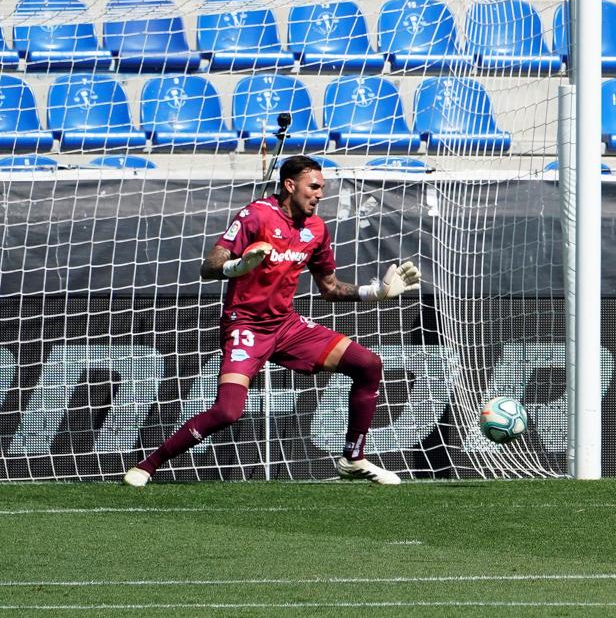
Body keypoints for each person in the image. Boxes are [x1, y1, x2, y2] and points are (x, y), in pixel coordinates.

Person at [123, 156, 421, 487]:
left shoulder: (316, 229)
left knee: (368, 364)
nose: (320, 194)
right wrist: (236, 268)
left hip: (286, 326)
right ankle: (149, 465)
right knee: (227, 412)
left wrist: (374, 292)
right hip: (246, 327)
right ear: (290, 186)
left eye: (322, 187)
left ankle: (353, 458)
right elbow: (209, 266)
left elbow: (330, 288)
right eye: (314, 187)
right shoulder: (257, 215)